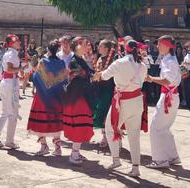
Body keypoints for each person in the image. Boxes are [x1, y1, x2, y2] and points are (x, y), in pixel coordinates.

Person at [93, 40, 147, 177]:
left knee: (110, 128)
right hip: (137, 101)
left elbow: (105, 76)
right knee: (134, 135)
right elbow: (143, 80)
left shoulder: (119, 63)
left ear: (125, 50)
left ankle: (116, 160)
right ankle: (135, 168)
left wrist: (99, 74)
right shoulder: (142, 65)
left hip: (123, 101)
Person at [146, 35, 181, 169]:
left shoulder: (169, 60)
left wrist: (151, 78)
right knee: (164, 128)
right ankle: (173, 157)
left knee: (155, 127)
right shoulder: (169, 59)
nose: (157, 46)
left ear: (167, 46)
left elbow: (167, 80)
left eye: (160, 44)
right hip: (172, 95)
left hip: (168, 96)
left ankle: (160, 160)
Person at [27, 41, 68, 156]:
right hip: (56, 96)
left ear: (48, 50)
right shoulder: (61, 63)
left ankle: (44, 146)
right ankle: (58, 148)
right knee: (55, 120)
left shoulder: (43, 62)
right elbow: (65, 79)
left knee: (41, 119)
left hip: (43, 96)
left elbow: (36, 77)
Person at [62, 37, 94, 164]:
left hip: (81, 96)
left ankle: (76, 152)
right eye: (86, 44)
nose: (88, 46)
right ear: (78, 46)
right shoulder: (74, 62)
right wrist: (94, 76)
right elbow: (82, 77)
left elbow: (89, 74)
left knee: (82, 124)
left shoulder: (81, 60)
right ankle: (74, 154)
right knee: (79, 125)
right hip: (77, 98)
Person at [0, 34, 24, 149]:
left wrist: (19, 71)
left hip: (7, 82)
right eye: (17, 41)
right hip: (10, 83)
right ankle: (9, 141)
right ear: (12, 43)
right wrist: (20, 69)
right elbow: (9, 69)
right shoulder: (11, 54)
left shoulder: (9, 53)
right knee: (12, 113)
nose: (19, 42)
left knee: (5, 112)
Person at [93, 39, 115, 148]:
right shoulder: (100, 58)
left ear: (106, 48)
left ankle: (108, 137)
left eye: (100, 46)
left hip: (108, 89)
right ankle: (104, 136)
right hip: (99, 89)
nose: (98, 48)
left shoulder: (112, 60)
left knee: (107, 112)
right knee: (100, 112)